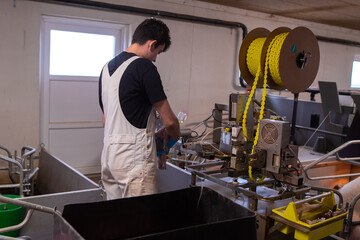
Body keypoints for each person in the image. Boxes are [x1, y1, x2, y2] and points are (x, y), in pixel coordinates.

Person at [98, 18, 180, 200]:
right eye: (157, 52)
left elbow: (107, 121)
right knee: (141, 220)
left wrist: (151, 139)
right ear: (151, 44)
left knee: (117, 217)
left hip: (109, 158)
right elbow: (170, 121)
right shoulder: (144, 67)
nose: (155, 58)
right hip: (132, 162)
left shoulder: (106, 69)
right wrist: (173, 137)